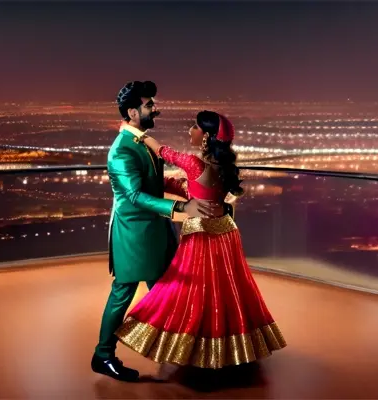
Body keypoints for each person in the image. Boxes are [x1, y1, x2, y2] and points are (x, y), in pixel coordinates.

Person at [115, 110, 286, 370]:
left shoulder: (196, 164)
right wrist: (162, 184)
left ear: (206, 136)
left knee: (194, 291)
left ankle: (195, 349)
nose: (189, 131)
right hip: (227, 232)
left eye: (194, 127)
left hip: (202, 234)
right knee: (227, 292)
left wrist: (133, 133)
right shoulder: (222, 167)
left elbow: (163, 151)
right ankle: (228, 350)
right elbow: (196, 189)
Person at [92, 82, 223, 382]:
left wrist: (182, 187)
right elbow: (136, 196)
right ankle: (103, 355)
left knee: (167, 290)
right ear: (132, 112)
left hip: (153, 232)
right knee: (123, 293)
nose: (154, 109)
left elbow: (154, 181)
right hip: (133, 235)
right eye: (149, 105)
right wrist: (180, 210)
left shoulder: (141, 142)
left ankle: (180, 348)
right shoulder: (121, 151)